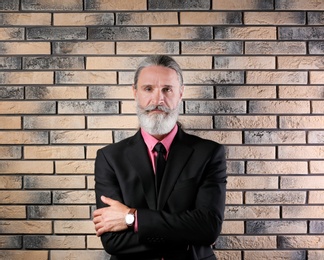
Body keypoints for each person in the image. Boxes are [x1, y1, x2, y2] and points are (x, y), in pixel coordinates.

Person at [93, 55, 227, 260]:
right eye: (148, 89)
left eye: (167, 89)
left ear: (180, 94)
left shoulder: (209, 153)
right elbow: (113, 241)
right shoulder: (110, 158)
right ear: (135, 92)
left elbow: (208, 228)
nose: (158, 100)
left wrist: (132, 219)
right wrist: (188, 237)